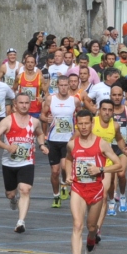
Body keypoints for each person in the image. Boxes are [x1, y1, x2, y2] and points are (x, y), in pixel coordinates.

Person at [63, 110, 122, 254]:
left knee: (91, 227)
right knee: (77, 224)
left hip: (95, 190)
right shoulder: (72, 144)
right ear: (77, 125)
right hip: (78, 189)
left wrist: (100, 169)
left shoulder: (101, 144)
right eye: (80, 124)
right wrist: (68, 174)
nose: (83, 127)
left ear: (92, 124)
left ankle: (91, 239)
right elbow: (68, 159)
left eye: (86, 123)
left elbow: (118, 165)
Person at [0, 92, 48, 233]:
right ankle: (12, 199)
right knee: (10, 193)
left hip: (27, 162)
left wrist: (41, 145)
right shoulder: (7, 121)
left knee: (25, 189)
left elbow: (40, 133)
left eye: (26, 103)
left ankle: (20, 222)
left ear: (30, 104)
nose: (24, 105)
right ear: (15, 105)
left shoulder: (34, 122)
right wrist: (7, 147)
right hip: (9, 163)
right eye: (21, 103)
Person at [43, 76, 80, 208]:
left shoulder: (74, 101)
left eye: (66, 85)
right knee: (54, 172)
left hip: (68, 140)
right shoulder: (50, 99)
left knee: (65, 167)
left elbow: (82, 117)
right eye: (61, 85)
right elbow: (42, 115)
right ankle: (56, 195)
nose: (64, 87)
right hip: (53, 139)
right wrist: (46, 119)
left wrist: (77, 131)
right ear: (57, 86)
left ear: (69, 86)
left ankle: (64, 182)